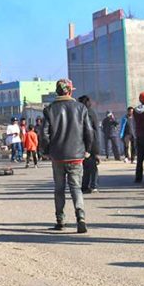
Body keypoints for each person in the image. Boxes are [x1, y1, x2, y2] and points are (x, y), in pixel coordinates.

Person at [41, 79, 93, 233]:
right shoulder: (81, 108)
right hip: (76, 155)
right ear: (70, 91)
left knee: (59, 189)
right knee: (76, 187)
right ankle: (81, 217)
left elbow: (44, 134)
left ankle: (60, 220)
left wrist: (46, 151)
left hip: (57, 155)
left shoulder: (50, 109)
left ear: (57, 91)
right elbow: (89, 131)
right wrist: (87, 149)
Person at [78, 95, 100, 193]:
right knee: (86, 166)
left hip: (91, 144)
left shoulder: (89, 113)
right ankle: (85, 186)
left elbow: (94, 132)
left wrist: (95, 149)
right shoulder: (84, 112)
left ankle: (93, 185)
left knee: (92, 167)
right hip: (85, 143)